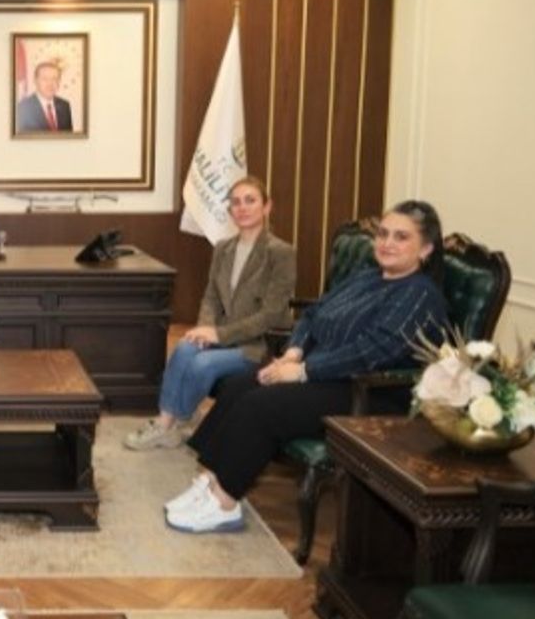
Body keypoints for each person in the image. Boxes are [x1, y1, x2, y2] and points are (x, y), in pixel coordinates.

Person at [165, 200, 449, 534]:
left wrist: (303, 371)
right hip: (325, 376)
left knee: (261, 405)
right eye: (383, 234)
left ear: (426, 249)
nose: (387, 243)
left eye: (401, 237)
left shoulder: (420, 295)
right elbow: (313, 314)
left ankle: (225, 504)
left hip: (368, 393)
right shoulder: (367, 277)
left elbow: (370, 352)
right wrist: (293, 352)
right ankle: (209, 482)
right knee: (239, 385)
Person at [125, 177, 296, 451]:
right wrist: (204, 329)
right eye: (236, 202)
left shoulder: (281, 253)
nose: (242, 207)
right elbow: (211, 297)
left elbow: (272, 315)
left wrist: (219, 334)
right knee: (184, 348)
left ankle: (177, 420)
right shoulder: (223, 248)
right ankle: (166, 422)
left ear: (267, 207)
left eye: (250, 200)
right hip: (221, 335)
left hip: (258, 345)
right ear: (230, 210)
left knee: (201, 365)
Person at [16, 61, 73, 132]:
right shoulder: (22, 108)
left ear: (59, 82)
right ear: (35, 81)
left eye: (54, 79)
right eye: (45, 79)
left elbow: (68, 136)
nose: (50, 83)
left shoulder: (65, 105)